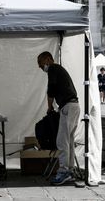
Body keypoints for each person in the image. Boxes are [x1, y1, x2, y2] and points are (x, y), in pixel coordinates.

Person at [37, 51, 80, 186]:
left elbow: (51, 89)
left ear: (48, 59)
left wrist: (49, 107)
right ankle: (71, 170)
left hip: (67, 106)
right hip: (74, 106)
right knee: (69, 141)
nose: (40, 67)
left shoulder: (53, 68)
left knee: (62, 141)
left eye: (41, 64)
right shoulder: (59, 70)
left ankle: (64, 171)